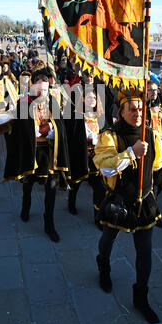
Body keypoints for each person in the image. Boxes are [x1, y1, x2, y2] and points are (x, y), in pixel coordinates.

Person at [93, 88, 162, 324]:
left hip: (144, 203)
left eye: (140, 108)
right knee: (107, 240)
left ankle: (141, 298)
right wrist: (131, 153)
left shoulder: (151, 133)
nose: (137, 113)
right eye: (132, 109)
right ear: (121, 111)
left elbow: (157, 164)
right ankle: (103, 266)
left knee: (145, 252)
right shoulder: (109, 136)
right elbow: (104, 167)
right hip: (118, 202)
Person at [3, 73, 70, 242]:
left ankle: (49, 224)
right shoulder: (23, 104)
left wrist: (52, 128)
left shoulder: (52, 102)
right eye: (39, 89)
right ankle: (25, 208)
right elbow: (17, 130)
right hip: (30, 152)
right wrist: (33, 131)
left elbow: (61, 126)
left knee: (51, 189)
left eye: (45, 90)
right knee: (28, 185)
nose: (42, 93)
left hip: (49, 154)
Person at [64, 85, 106, 226]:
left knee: (98, 188)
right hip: (81, 155)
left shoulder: (100, 116)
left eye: (94, 97)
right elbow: (73, 136)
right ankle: (71, 203)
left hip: (97, 157)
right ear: (83, 99)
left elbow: (105, 134)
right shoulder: (77, 115)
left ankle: (97, 217)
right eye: (89, 97)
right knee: (76, 183)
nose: (92, 100)